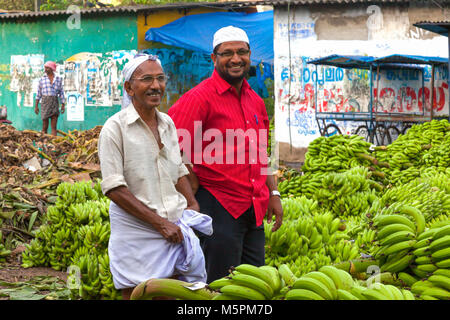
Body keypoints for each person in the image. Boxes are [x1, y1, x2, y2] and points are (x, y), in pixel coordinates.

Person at [168, 26, 283, 283]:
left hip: (254, 207)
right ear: (214, 58)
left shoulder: (255, 100)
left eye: (241, 52)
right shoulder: (199, 99)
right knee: (220, 285)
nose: (235, 58)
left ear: (250, 55)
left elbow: (262, 152)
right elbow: (167, 149)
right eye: (227, 53)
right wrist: (190, 194)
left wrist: (273, 192)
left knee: (253, 284)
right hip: (218, 208)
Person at [98, 54, 210, 300]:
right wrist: (159, 224)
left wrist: (191, 202)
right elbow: (114, 188)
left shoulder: (167, 123)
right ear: (129, 88)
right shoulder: (114, 129)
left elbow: (177, 168)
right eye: (146, 79)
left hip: (173, 226)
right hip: (137, 231)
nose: (156, 85)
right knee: (136, 292)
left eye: (160, 78)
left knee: (174, 293)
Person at [34, 61, 65, 136]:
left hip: (54, 102)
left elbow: (61, 93)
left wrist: (63, 105)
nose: (45, 69)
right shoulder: (42, 79)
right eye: (45, 68)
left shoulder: (58, 79)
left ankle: (53, 144)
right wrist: (36, 106)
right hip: (45, 102)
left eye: (47, 68)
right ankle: (44, 143)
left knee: (54, 127)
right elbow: (38, 94)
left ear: (52, 69)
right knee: (45, 126)